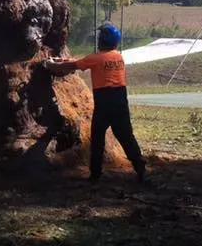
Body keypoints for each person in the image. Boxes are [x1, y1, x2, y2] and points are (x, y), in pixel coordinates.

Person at [43, 22, 147, 183]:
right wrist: (64, 59)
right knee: (126, 135)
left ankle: (95, 174)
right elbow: (85, 61)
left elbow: (73, 65)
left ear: (102, 40)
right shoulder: (118, 57)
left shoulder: (96, 58)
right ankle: (140, 169)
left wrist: (51, 64)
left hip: (104, 101)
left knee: (97, 137)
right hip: (120, 100)